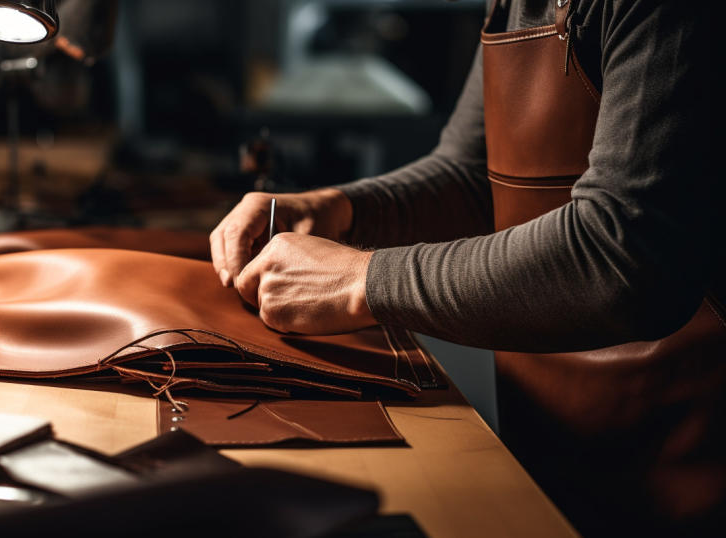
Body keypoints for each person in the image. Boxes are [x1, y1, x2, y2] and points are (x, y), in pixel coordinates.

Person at [210, 0, 723, 536]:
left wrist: (362, 280)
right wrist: (336, 206)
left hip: (687, 459)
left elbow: (626, 252)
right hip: (553, 436)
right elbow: (474, 175)